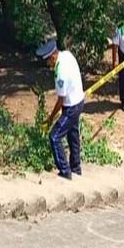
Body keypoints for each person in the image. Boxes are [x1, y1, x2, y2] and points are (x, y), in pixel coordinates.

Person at [37, 38, 84, 180]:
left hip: (71, 107)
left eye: (47, 61)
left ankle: (65, 171)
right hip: (79, 100)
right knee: (73, 135)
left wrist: (50, 118)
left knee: (54, 136)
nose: (47, 64)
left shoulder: (60, 73)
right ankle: (76, 168)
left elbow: (60, 101)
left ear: (52, 57)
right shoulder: (67, 55)